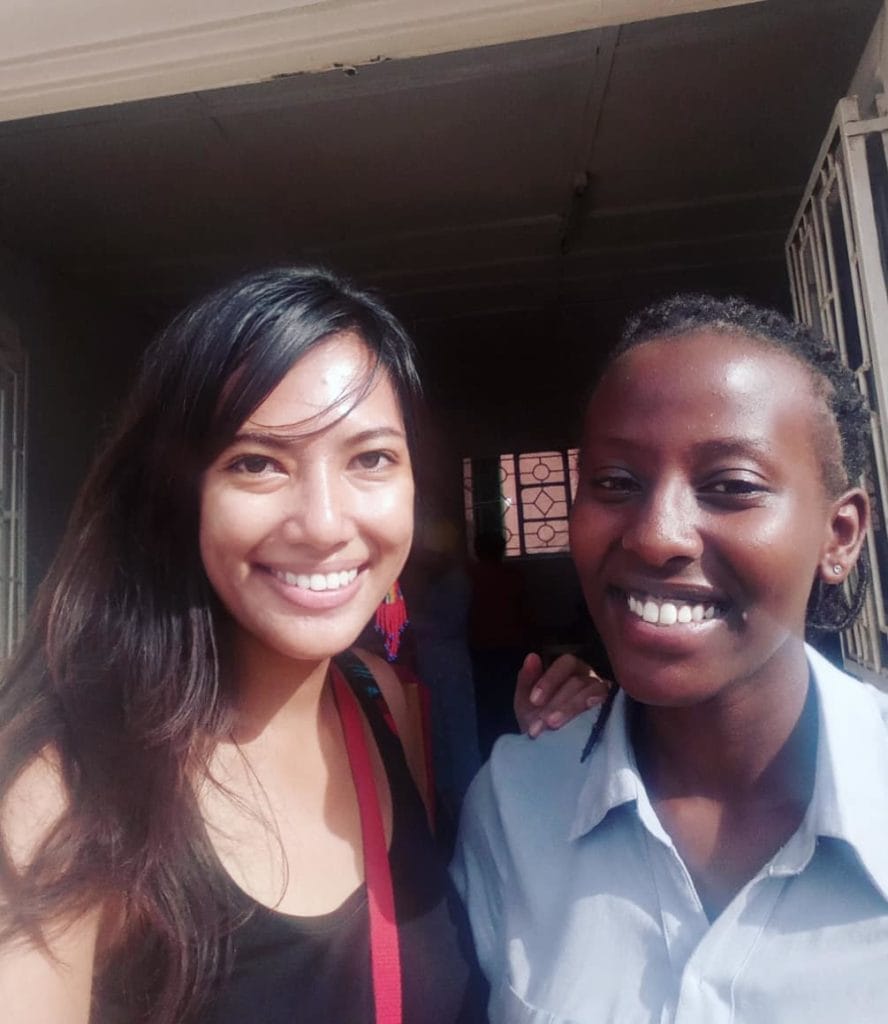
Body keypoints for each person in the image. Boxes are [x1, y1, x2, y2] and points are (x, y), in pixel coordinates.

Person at [0, 267, 605, 1023]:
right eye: (257, 462)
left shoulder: (381, 707)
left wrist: (565, 751)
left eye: (371, 458)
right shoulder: (62, 799)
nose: (323, 524)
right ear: (175, 498)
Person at [453, 294, 888, 1023]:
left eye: (731, 487)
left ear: (839, 534)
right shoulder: (517, 802)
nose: (657, 535)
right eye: (615, 483)